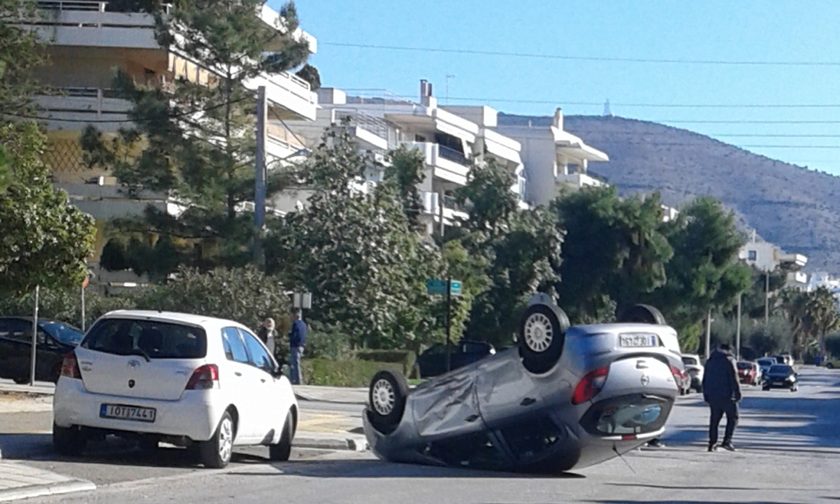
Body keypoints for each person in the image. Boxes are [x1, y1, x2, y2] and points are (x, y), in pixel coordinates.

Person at [702, 343, 742, 452]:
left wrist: (706, 394)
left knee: (714, 420)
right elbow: (734, 377)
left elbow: (705, 379)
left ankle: (712, 443)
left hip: (713, 396)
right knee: (734, 418)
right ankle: (727, 442)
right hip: (727, 396)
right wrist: (738, 392)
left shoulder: (710, 361)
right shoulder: (729, 360)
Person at [288, 309, 307, 385]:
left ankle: (297, 380)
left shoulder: (295, 324)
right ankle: (296, 379)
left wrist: (290, 337)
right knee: (296, 362)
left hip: (295, 346)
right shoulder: (304, 324)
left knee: (295, 363)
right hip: (301, 346)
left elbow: (295, 335)